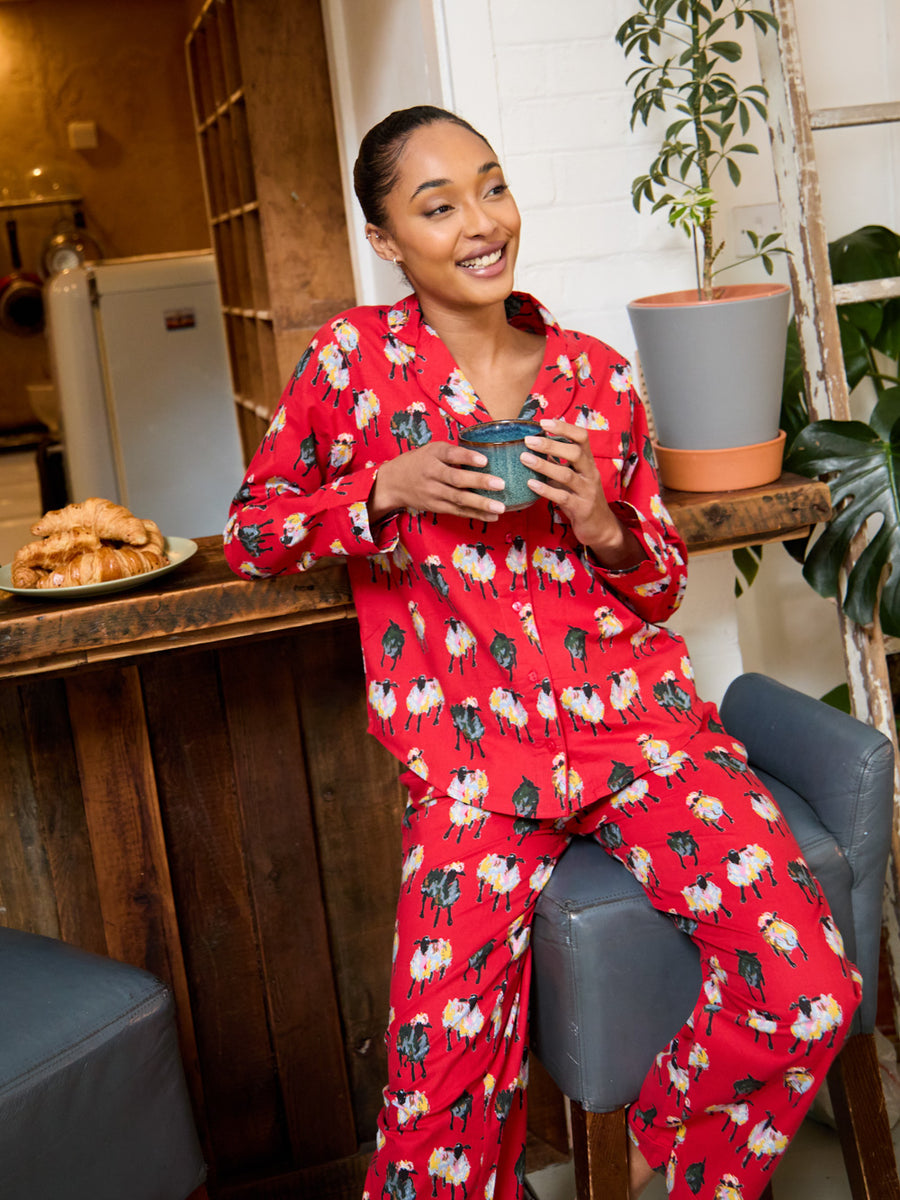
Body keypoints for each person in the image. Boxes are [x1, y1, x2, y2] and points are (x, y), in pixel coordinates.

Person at [224, 105, 860, 1200]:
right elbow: (252, 533)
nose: (482, 223)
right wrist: (382, 489)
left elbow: (660, 585)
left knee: (809, 995)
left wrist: (603, 521)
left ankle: (666, 1152)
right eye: (438, 207)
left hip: (642, 733)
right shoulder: (352, 363)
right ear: (385, 239)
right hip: (471, 764)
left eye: (493, 186)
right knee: (434, 1104)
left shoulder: (596, 376)